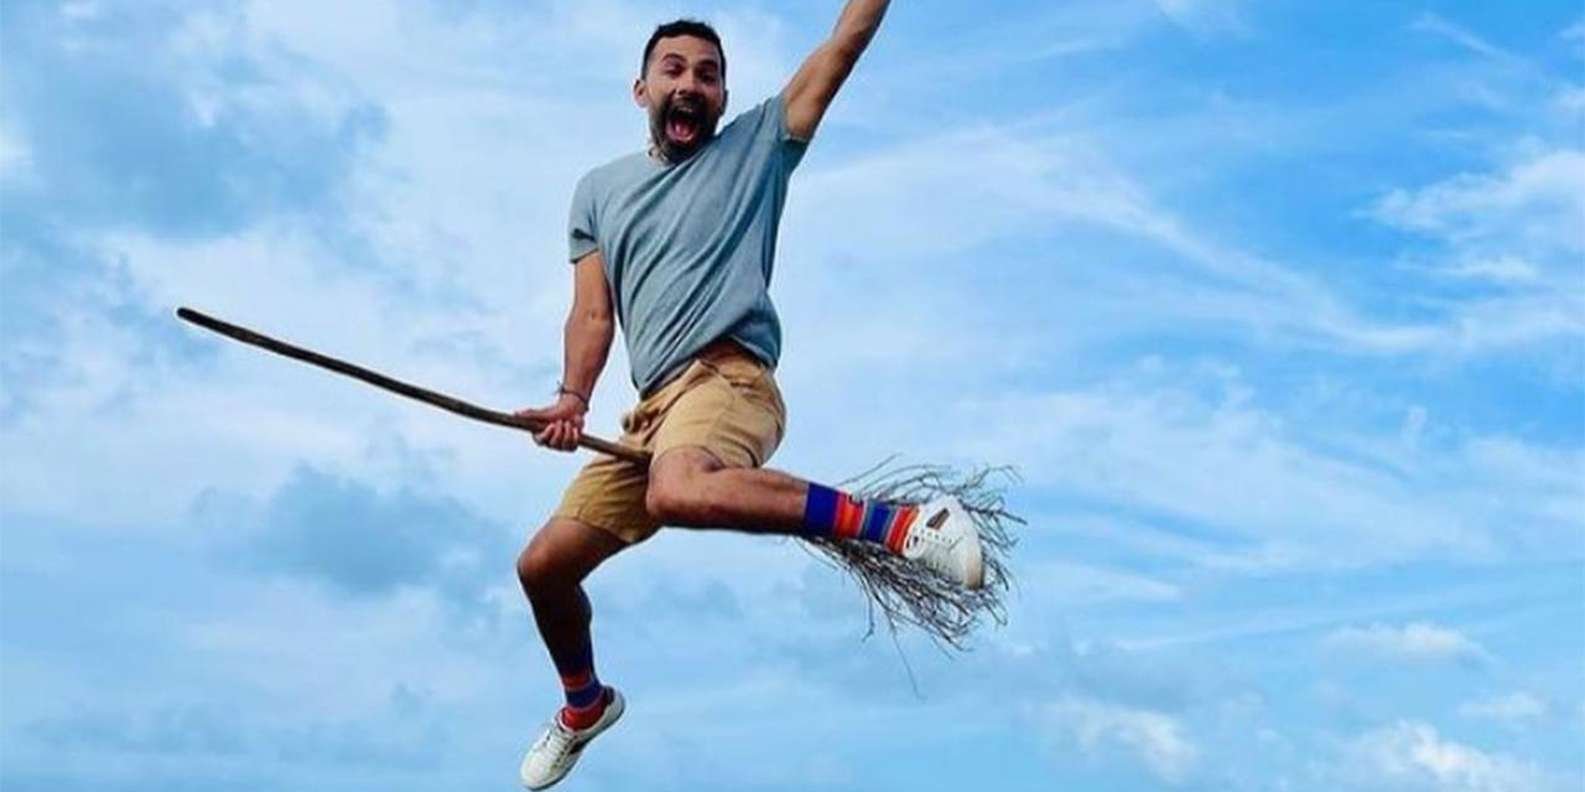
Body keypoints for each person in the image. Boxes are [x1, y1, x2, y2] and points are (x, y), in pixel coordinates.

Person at [512, 4, 983, 788]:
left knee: (677, 490)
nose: (690, 84)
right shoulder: (597, 192)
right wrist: (570, 400)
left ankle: (905, 524)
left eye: (708, 75)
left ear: (723, 97)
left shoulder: (758, 146)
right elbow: (593, 315)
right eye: (673, 70)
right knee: (543, 569)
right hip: (650, 414)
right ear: (640, 90)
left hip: (729, 381)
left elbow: (843, 44)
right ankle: (585, 705)